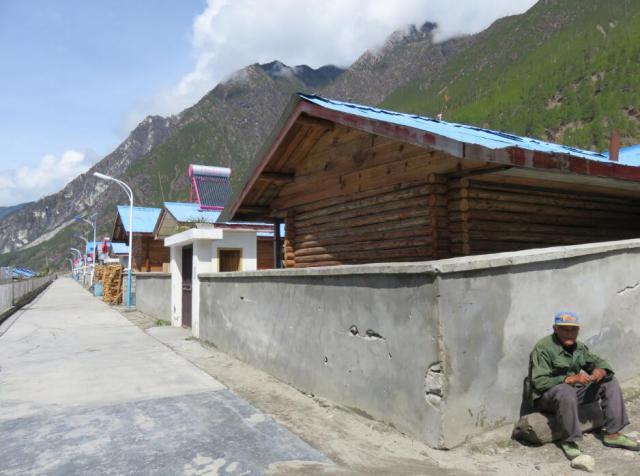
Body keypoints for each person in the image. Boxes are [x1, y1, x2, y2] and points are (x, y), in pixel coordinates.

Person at [529, 311, 640, 459]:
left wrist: (600, 370)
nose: (569, 334)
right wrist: (569, 379)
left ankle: (612, 434)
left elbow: (597, 362)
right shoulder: (543, 348)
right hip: (546, 398)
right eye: (565, 329)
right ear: (555, 329)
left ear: (578, 330)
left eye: (573, 329)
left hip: (571, 395)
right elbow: (538, 382)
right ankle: (569, 440)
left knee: (609, 380)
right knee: (565, 390)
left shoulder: (579, 347)